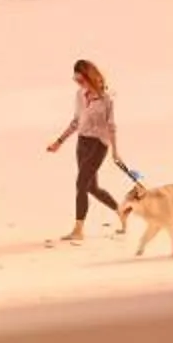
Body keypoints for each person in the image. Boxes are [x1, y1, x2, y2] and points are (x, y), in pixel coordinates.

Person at [47, 59, 123, 244]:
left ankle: (78, 230)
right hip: (82, 143)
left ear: (90, 76)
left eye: (81, 79)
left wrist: (115, 151)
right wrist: (59, 141)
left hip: (99, 144)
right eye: (76, 79)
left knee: (81, 183)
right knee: (91, 187)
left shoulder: (106, 99)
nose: (78, 83)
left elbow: (111, 126)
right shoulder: (79, 95)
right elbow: (75, 121)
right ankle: (121, 210)